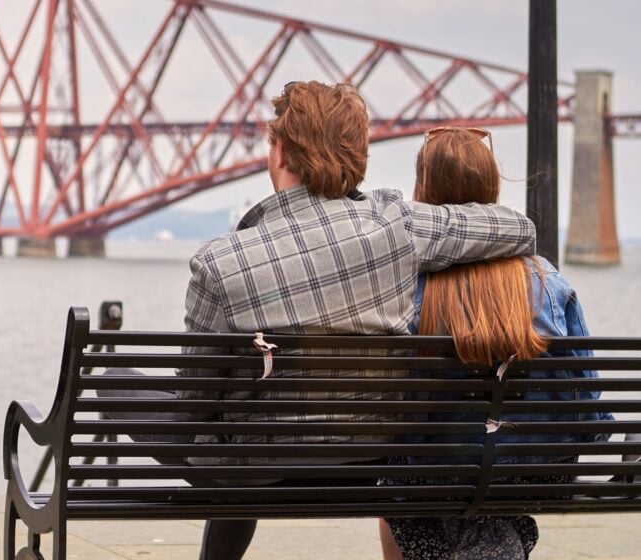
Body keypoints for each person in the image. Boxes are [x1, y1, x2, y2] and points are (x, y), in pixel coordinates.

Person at [170, 81, 537, 560]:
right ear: (358, 157)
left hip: (256, 468)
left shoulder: (219, 262)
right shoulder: (399, 225)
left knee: (126, 384)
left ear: (279, 152)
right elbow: (519, 229)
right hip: (371, 460)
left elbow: (191, 404)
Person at [376, 126, 612, 560]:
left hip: (431, 475)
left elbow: (390, 408)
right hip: (530, 475)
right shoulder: (545, 280)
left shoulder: (404, 284)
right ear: (492, 188)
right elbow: (589, 408)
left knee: (405, 479)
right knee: (468, 484)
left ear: (421, 191)